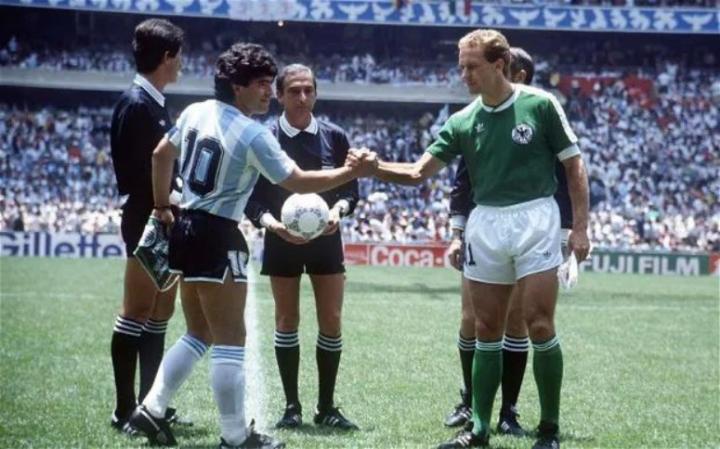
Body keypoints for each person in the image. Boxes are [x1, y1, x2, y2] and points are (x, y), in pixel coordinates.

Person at [127, 43, 375, 449]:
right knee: (230, 341)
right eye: (260, 84)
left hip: (185, 227)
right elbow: (297, 181)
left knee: (198, 333)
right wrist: (352, 171)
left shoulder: (195, 111)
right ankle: (235, 435)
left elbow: (160, 155)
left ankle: (151, 408)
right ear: (236, 86)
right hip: (218, 233)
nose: (267, 93)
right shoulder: (253, 133)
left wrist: (161, 206)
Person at [354, 29, 590, 449]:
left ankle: (549, 429)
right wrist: (375, 168)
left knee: (538, 323)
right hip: (486, 223)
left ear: (499, 65)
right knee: (485, 328)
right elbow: (418, 172)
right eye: (461, 66)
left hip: (537, 218)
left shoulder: (540, 104)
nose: (464, 75)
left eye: (472, 66)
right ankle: (479, 430)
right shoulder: (462, 120)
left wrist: (582, 228)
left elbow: (574, 167)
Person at [443, 47, 575, 437]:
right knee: (474, 320)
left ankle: (510, 410)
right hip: (484, 228)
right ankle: (471, 404)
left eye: (520, 75)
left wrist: (569, 232)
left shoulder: (540, 111)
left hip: (532, 226)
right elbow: (462, 179)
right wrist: (456, 232)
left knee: (522, 322)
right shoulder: (474, 119)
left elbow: (566, 174)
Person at [245, 64, 360, 430]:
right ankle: (291, 407)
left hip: (327, 239)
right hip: (281, 239)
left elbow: (350, 191)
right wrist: (273, 225)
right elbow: (252, 199)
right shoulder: (264, 138)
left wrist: (339, 212)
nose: (302, 97)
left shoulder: (334, 137)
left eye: (309, 90)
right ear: (279, 95)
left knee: (332, 320)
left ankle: (326, 406)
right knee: (286, 320)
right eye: (294, 91)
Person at [109, 18, 189, 433]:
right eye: (180, 56)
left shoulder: (154, 101)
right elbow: (134, 170)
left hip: (163, 214)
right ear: (167, 57)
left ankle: (150, 404)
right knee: (137, 310)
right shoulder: (136, 103)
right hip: (147, 215)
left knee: (160, 311)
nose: (182, 64)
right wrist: (167, 199)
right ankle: (125, 409)